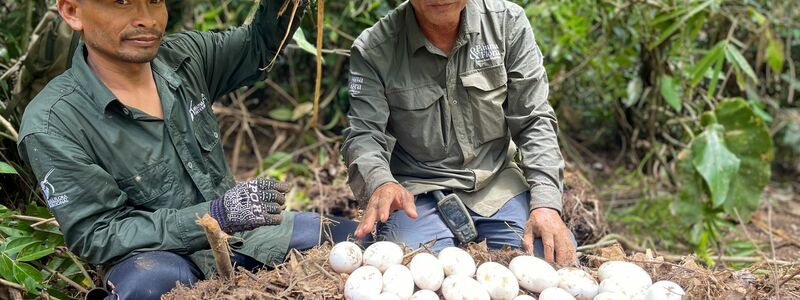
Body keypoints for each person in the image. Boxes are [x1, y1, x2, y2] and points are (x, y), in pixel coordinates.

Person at [16, 0, 355, 299]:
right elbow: (99, 234)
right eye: (121, 2)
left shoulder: (185, 58)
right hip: (156, 260)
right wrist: (217, 216)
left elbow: (258, 45)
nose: (146, 18)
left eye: (154, 0)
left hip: (247, 237)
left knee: (354, 240)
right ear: (72, 11)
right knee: (148, 288)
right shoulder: (53, 122)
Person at [342, 0, 577, 265]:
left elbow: (534, 119)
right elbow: (364, 135)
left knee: (545, 259)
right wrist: (381, 182)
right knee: (410, 270)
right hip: (417, 194)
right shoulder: (374, 49)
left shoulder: (506, 23)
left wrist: (545, 204)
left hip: (496, 183)